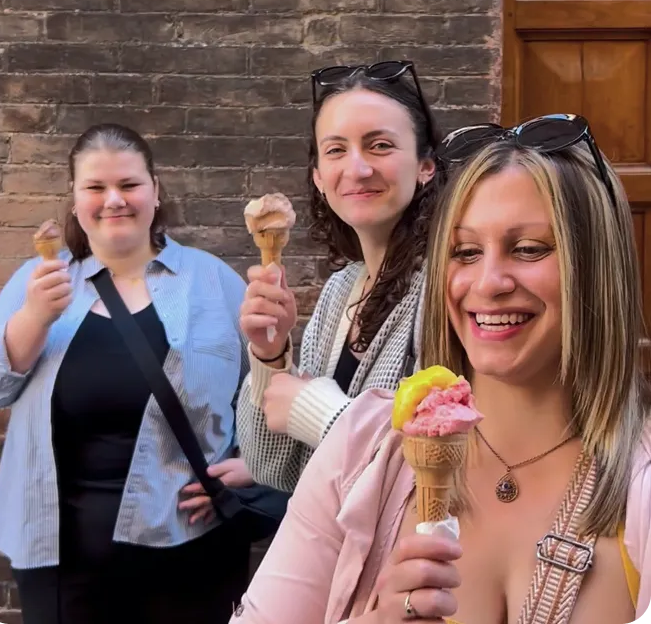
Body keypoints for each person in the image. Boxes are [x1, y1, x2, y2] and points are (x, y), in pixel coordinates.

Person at [230, 115, 651, 623]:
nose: (488, 281)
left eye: (529, 249)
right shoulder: (362, 450)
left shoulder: (639, 489)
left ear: (596, 266)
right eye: (465, 252)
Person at [0, 124, 255, 624]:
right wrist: (33, 318)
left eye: (129, 185)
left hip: (191, 546)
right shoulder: (38, 281)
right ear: (75, 198)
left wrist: (255, 466)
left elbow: (266, 391)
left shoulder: (213, 281)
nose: (114, 201)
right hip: (61, 558)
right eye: (96, 188)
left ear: (155, 190)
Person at [237, 61, 445, 491]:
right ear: (318, 177)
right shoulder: (340, 292)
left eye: (380, 145)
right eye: (335, 150)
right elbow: (274, 468)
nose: (357, 168)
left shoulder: (447, 290)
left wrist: (318, 409)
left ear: (426, 164)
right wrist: (272, 357)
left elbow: (439, 463)